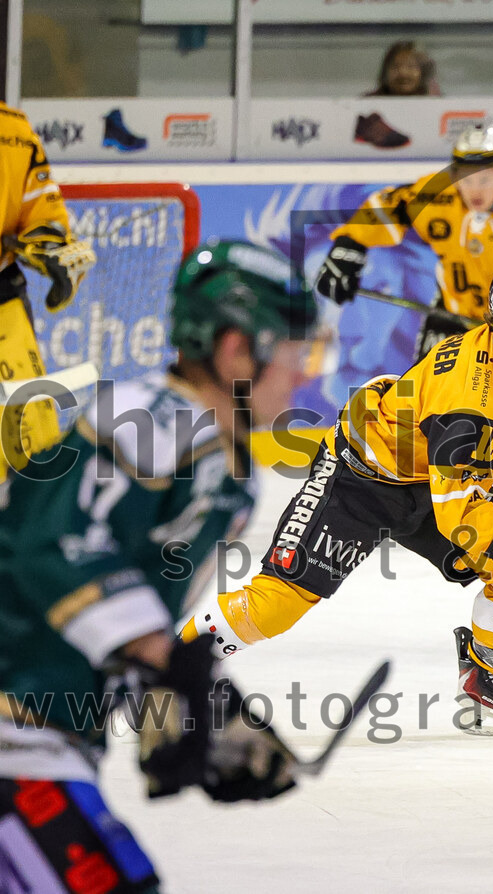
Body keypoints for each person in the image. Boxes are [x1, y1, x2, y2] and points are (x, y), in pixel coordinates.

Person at [0, 239, 322, 890]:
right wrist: (170, 661)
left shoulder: (225, 466)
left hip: (51, 736)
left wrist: (210, 722)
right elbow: (48, 545)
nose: (304, 375)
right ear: (236, 349)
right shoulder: (148, 419)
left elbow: (123, 609)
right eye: (293, 355)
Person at [181, 259, 493, 737]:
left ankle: (486, 679)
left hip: (430, 476)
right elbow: (456, 508)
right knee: (279, 601)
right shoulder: (472, 396)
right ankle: (164, 671)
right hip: (360, 478)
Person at [315, 124, 493, 511]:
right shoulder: (439, 194)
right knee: (426, 400)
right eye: (466, 178)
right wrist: (349, 246)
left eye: (485, 178)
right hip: (453, 316)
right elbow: (388, 207)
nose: (475, 189)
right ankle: (417, 484)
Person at [0, 100, 96, 484]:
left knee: (31, 452)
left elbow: (43, 215)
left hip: (3, 307)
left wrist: (52, 244)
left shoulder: (12, 130)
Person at [364, 40, 440, 97]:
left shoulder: (436, 103)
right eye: (395, 66)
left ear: (423, 72)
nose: (403, 72)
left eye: (411, 66)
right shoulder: (368, 103)